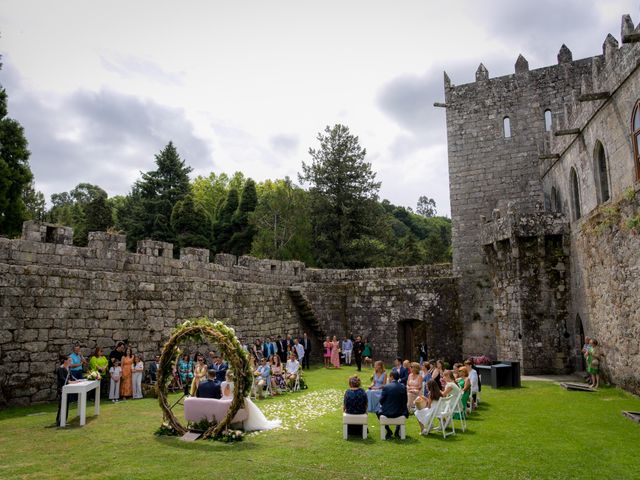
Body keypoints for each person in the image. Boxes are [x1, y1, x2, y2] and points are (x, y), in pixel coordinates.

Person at [377, 370, 408, 439]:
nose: (389, 378)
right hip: (400, 412)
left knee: (377, 411)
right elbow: (405, 401)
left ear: (392, 377)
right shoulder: (403, 387)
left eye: (389, 377)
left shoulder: (386, 387)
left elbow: (381, 401)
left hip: (388, 413)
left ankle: (388, 430)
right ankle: (397, 429)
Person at [56, 354, 79, 425]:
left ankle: (64, 420)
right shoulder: (61, 368)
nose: (70, 362)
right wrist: (70, 382)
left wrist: (77, 380)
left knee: (66, 404)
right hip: (62, 389)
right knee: (62, 405)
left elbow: (71, 377)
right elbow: (62, 379)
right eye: (69, 361)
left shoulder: (68, 368)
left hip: (68, 388)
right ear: (65, 361)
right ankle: (59, 421)